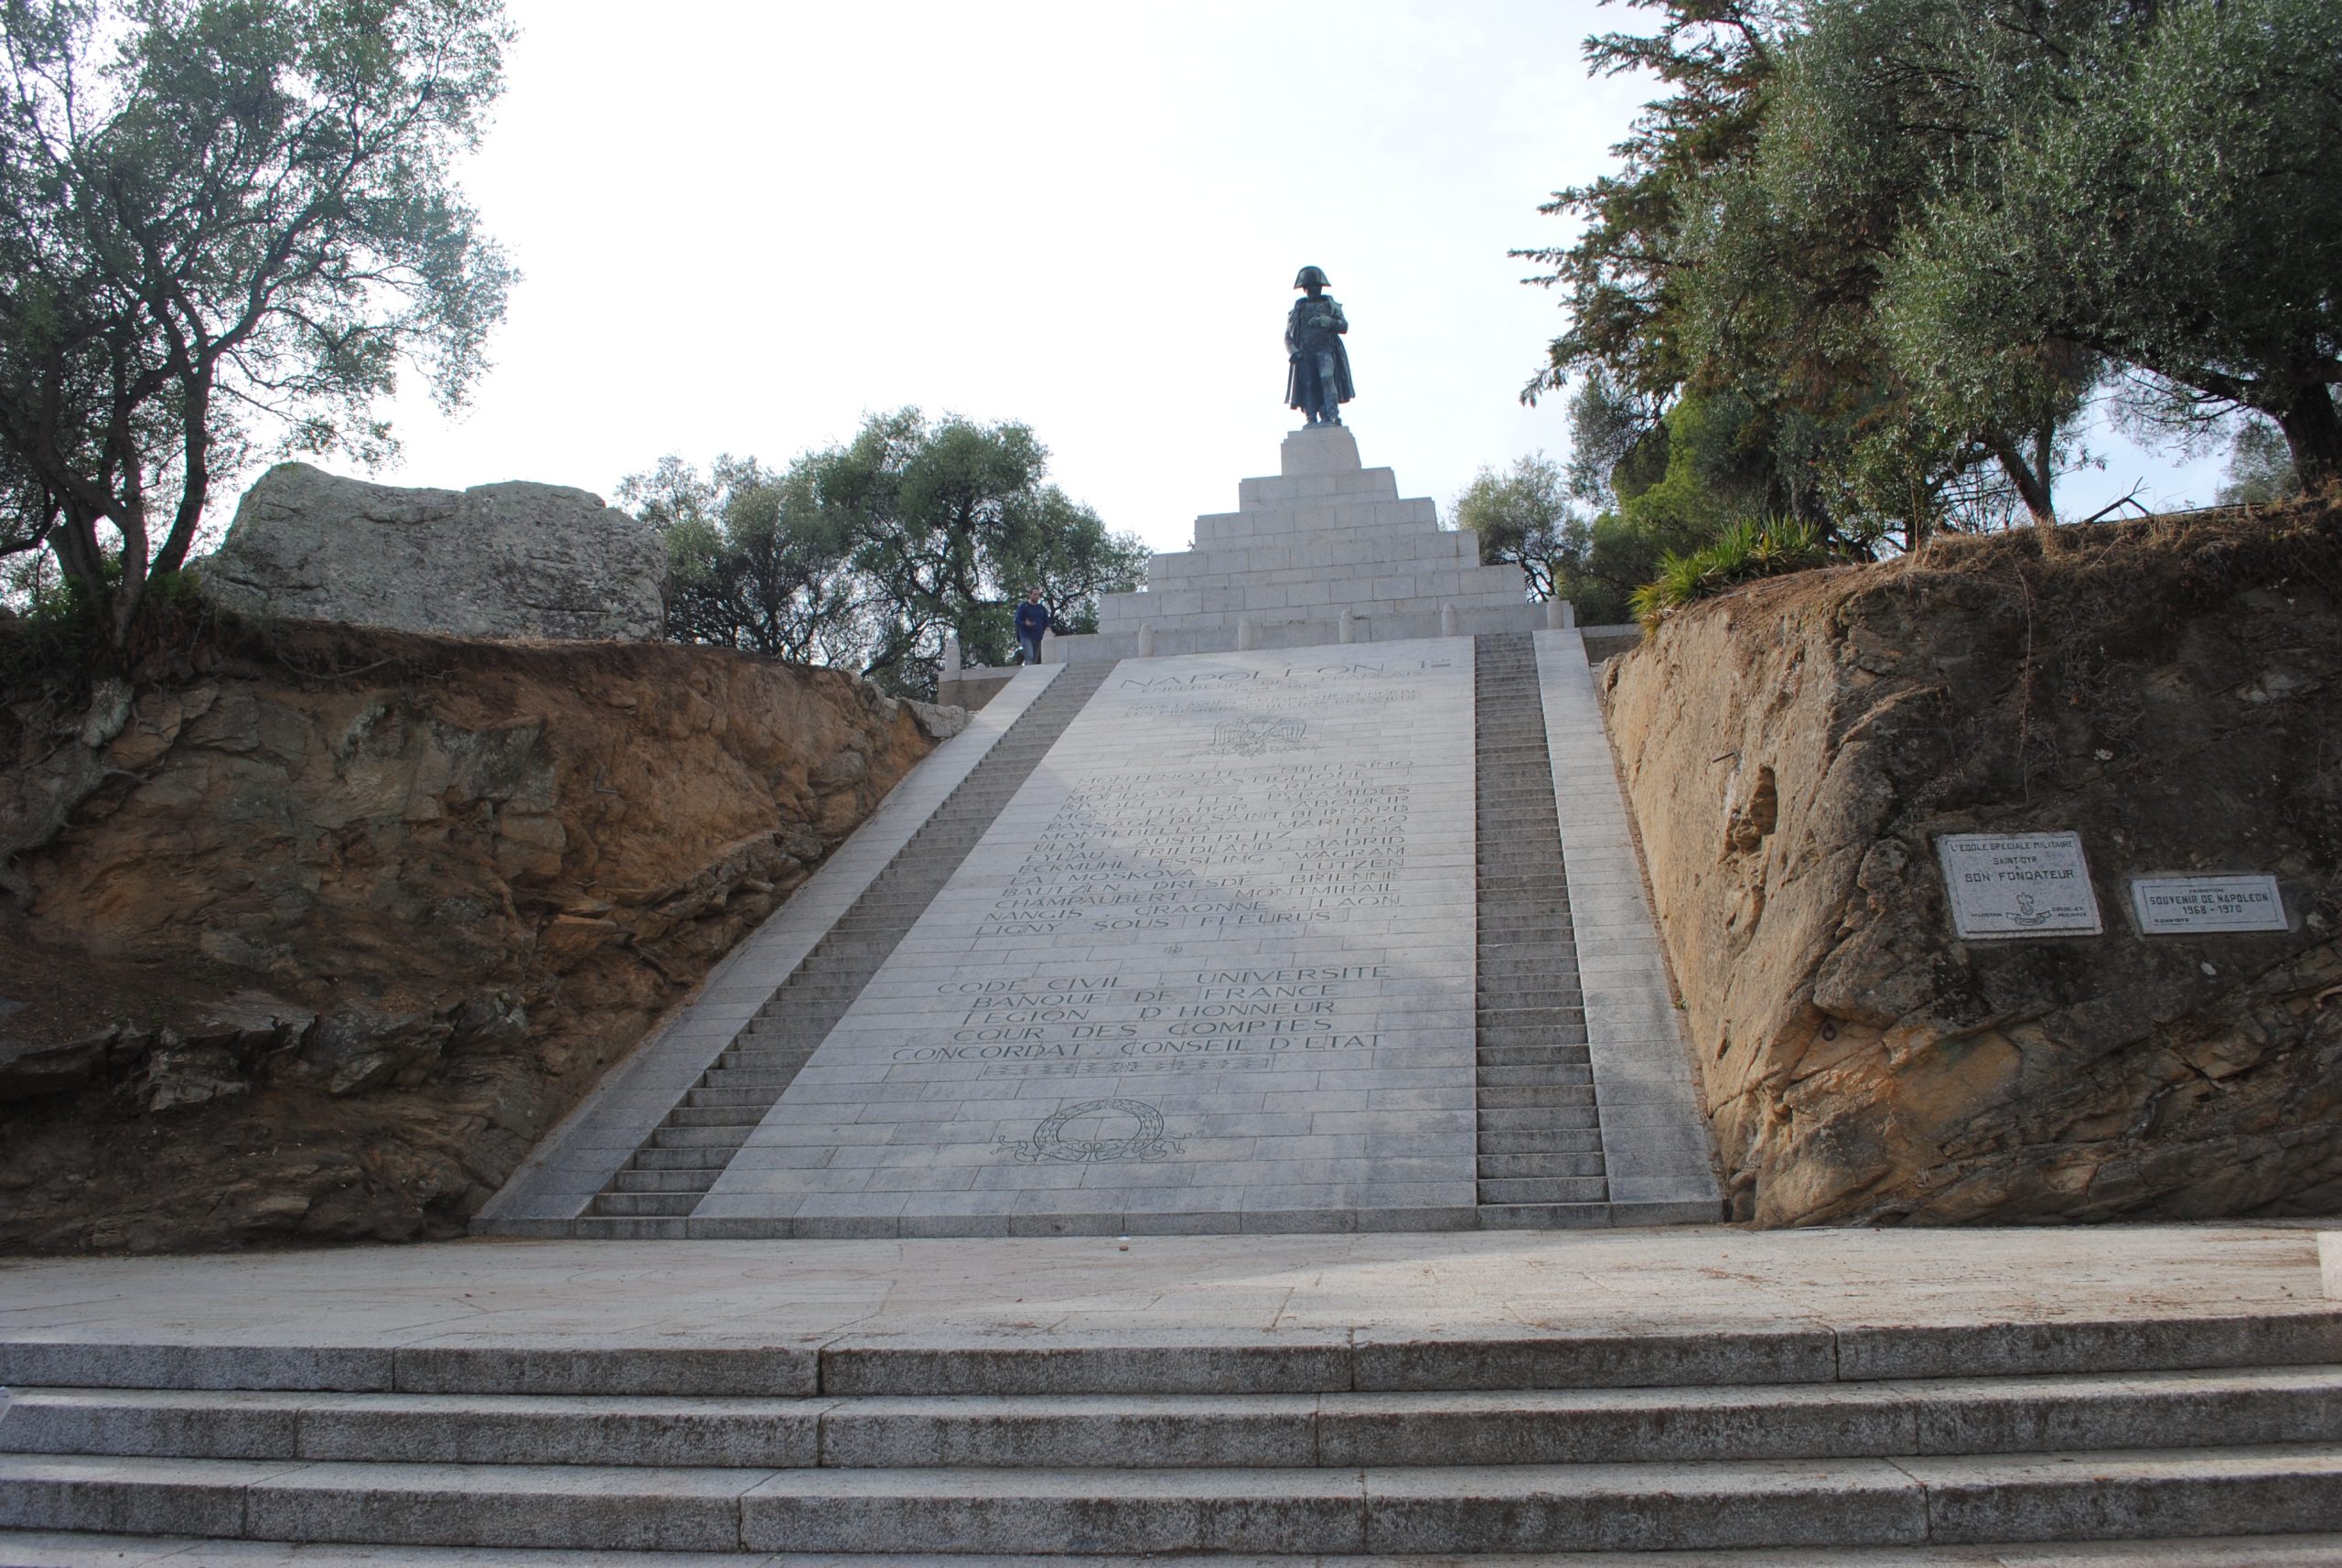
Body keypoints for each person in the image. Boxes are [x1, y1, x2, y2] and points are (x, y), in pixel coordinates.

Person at [1284, 265, 1353, 426]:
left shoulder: (1331, 305)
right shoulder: (1297, 309)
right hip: (1305, 352)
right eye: (1310, 287)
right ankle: (1311, 417)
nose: (1314, 289)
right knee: (1308, 383)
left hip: (1325, 348)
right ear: (1305, 289)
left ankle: (1332, 414)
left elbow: (1343, 326)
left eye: (1317, 286)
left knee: (1327, 377)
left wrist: (1327, 321)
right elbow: (1288, 335)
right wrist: (1293, 351)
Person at [1015, 586, 1051, 665]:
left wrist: (1047, 628)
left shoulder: (1041, 608)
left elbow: (1047, 621)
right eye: (1035, 594)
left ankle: (1031, 675)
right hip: (1026, 636)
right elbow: (1017, 620)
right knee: (1030, 656)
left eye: (1038, 595)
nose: (1037, 596)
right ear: (1030, 595)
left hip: (1038, 638)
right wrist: (1025, 623)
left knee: (1034, 659)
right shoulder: (1023, 606)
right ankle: (1028, 675)